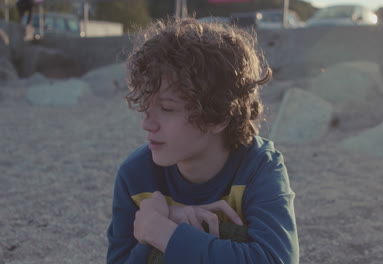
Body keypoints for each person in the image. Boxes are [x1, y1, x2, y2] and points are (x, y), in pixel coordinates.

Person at [106, 17, 299, 264]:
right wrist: (150, 233)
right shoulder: (135, 176)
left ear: (218, 116)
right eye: (146, 108)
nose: (147, 124)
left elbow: (276, 259)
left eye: (166, 108)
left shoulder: (258, 167)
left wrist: (162, 231)